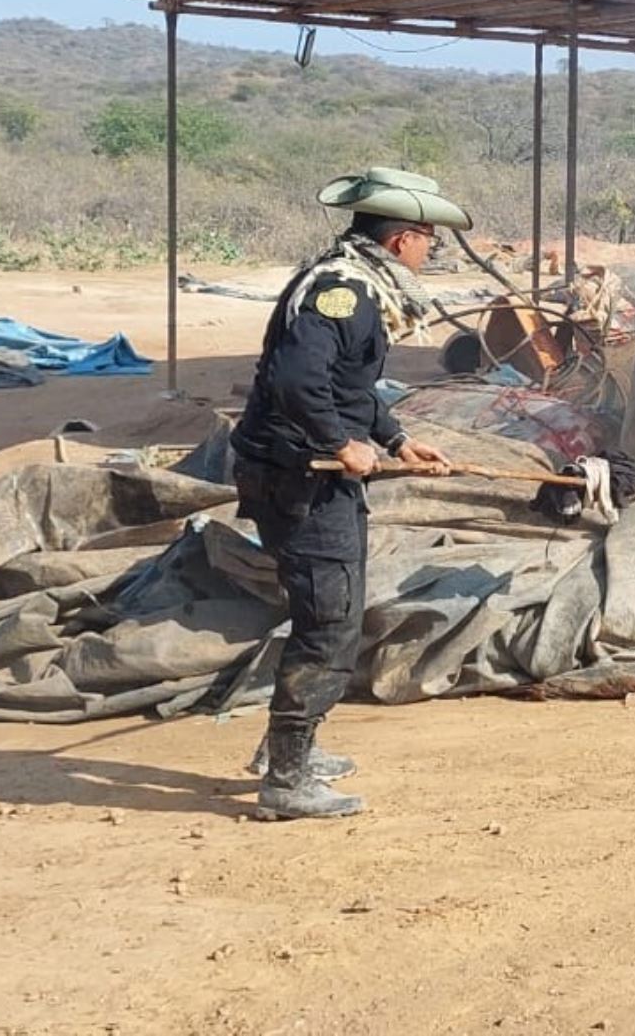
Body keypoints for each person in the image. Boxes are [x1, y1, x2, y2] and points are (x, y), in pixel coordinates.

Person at [231, 167, 473, 820]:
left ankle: (292, 746)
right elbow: (296, 378)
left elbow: (350, 386)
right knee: (330, 620)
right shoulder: (343, 293)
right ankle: (285, 778)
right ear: (399, 241)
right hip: (300, 478)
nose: (432, 250)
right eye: (428, 238)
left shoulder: (357, 283)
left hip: (311, 473)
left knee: (327, 613)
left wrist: (395, 441)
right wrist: (341, 443)